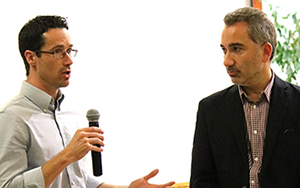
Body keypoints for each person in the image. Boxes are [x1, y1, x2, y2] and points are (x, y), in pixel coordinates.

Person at [0, 15, 175, 188]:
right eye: (57, 52)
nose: (69, 60)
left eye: (69, 50)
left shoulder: (71, 114)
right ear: (31, 58)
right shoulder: (12, 117)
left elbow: (77, 180)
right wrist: (67, 155)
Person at [190, 7, 300, 188]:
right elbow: (201, 182)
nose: (227, 61)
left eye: (236, 49)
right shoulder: (210, 110)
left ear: (265, 51)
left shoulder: (297, 103)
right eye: (224, 50)